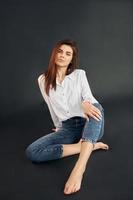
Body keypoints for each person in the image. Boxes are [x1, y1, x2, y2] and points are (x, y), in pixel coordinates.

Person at [25, 39, 109, 195]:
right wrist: (58, 126)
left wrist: (85, 104)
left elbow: (89, 98)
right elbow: (50, 105)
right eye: (60, 51)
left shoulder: (79, 74)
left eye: (67, 53)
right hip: (68, 128)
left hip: (90, 123)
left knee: (95, 107)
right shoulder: (43, 80)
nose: (63, 55)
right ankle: (88, 146)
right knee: (32, 152)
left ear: (71, 59)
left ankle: (79, 169)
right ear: (54, 54)